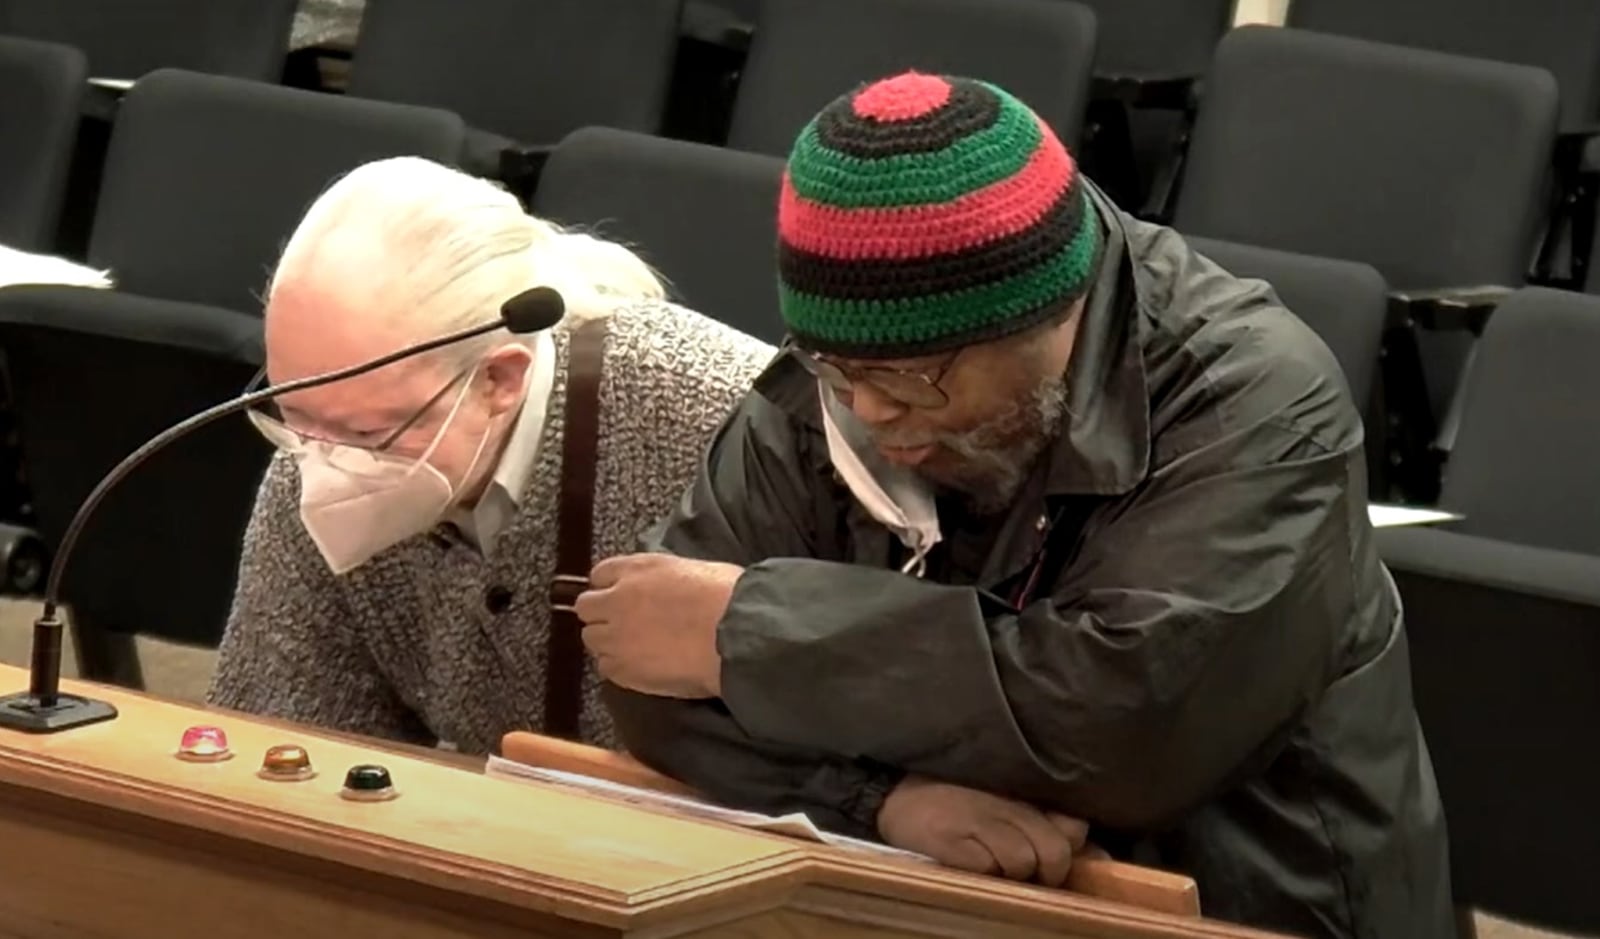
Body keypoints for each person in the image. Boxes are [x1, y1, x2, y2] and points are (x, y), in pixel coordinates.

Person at [575, 72, 1454, 938]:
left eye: (914, 377)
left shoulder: (1252, 400)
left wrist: (750, 635)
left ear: (1051, 315)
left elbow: (1127, 725)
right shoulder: (832, 384)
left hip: (1255, 906)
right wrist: (881, 801)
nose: (870, 411)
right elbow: (650, 666)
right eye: (836, 369)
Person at [208, 156, 775, 753]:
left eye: (368, 434)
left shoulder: (727, 419)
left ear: (500, 380)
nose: (324, 468)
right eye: (293, 418)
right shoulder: (323, 431)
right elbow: (276, 739)